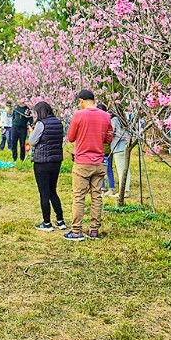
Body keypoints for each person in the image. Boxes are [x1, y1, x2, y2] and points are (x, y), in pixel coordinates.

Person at [64, 89, 113, 241]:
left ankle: (76, 231)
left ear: (81, 101)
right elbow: (109, 139)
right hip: (99, 161)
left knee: (79, 196)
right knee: (97, 196)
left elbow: (71, 138)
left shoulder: (79, 115)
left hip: (82, 162)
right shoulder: (106, 116)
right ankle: (93, 231)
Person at [29, 101, 67, 231]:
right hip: (56, 161)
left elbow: (32, 141)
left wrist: (31, 131)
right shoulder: (58, 122)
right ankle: (60, 220)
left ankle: (46, 223)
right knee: (53, 191)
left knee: (44, 193)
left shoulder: (41, 124)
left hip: (42, 162)